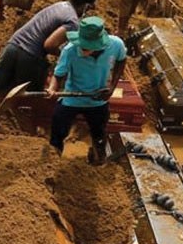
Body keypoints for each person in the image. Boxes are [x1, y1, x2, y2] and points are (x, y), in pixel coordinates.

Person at [0, 0, 98, 131]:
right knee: (34, 97)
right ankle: (33, 130)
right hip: (30, 54)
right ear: (85, 5)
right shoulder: (72, 21)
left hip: (13, 45)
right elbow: (49, 45)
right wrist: (66, 54)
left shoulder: (60, 5)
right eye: (90, 7)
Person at [48, 16, 127, 165]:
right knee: (58, 127)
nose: (81, 49)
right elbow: (58, 75)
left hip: (97, 99)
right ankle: (53, 161)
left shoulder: (116, 45)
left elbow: (122, 60)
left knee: (99, 133)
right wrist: (52, 88)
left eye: (86, 48)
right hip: (72, 97)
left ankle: (97, 161)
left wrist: (111, 88)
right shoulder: (70, 51)